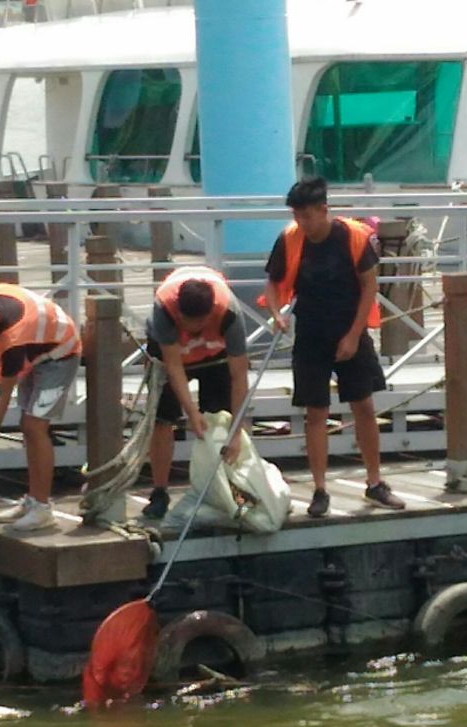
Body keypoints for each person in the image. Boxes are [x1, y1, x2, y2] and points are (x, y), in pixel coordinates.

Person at [261, 176, 405, 518]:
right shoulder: (290, 238)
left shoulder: (354, 236)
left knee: (364, 406)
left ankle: (375, 483)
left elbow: (370, 286)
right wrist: (275, 313)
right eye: (297, 216)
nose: (301, 223)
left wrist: (354, 335)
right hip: (310, 333)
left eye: (307, 216)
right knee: (315, 413)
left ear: (323, 210)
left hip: (350, 326)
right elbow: (271, 280)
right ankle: (320, 489)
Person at [0, 283, 81, 532]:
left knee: (34, 426)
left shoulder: (13, 338)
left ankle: (43, 509)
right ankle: (33, 499)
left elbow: (3, 398)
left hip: (60, 353)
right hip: (36, 351)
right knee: (27, 427)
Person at [142, 266, 249, 519]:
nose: (191, 329)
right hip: (171, 354)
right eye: (186, 323)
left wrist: (236, 431)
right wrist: (190, 412)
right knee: (163, 418)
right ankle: (159, 491)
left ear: (210, 313)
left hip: (215, 354)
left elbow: (239, 377)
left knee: (219, 418)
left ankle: (224, 488)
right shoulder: (164, 309)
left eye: (198, 324)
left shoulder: (230, 314)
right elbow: (174, 367)